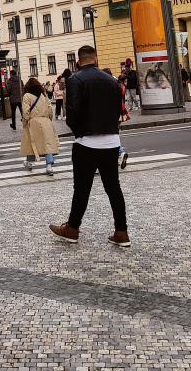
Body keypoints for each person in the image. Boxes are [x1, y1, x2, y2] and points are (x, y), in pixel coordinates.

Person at [50, 46, 130, 247]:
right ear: (96, 59)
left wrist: (79, 132)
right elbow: (118, 109)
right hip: (112, 141)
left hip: (86, 142)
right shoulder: (111, 80)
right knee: (113, 188)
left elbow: (72, 112)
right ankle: (121, 231)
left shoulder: (75, 80)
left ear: (78, 62)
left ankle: (72, 228)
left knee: (82, 189)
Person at [20, 77, 59, 175]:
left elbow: (25, 111)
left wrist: (25, 122)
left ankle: (29, 162)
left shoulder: (27, 96)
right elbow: (50, 110)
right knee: (47, 144)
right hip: (46, 121)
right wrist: (49, 120)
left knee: (31, 143)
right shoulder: (43, 95)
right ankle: (49, 166)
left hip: (33, 122)